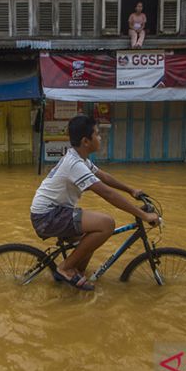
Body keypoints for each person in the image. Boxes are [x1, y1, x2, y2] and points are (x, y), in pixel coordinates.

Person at [30, 115, 159, 291]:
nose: (100, 138)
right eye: (97, 134)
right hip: (48, 216)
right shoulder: (75, 164)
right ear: (86, 141)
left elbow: (104, 177)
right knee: (106, 224)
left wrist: (131, 190)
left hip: (55, 212)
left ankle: (74, 274)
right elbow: (107, 193)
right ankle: (65, 268)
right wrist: (142, 214)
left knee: (90, 237)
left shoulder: (80, 159)